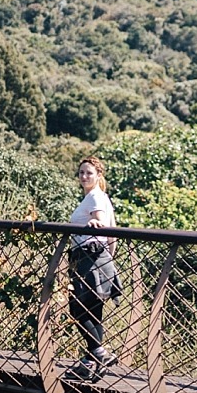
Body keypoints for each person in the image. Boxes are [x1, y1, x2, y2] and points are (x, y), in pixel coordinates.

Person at [68, 156, 121, 379]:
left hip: (89, 260)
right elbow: (113, 232)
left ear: (99, 175)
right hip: (100, 259)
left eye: (89, 172)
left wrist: (94, 225)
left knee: (77, 309)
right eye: (81, 172)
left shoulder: (95, 198)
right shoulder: (101, 197)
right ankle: (91, 363)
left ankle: (99, 353)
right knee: (93, 312)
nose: (84, 176)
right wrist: (109, 257)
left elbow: (99, 222)